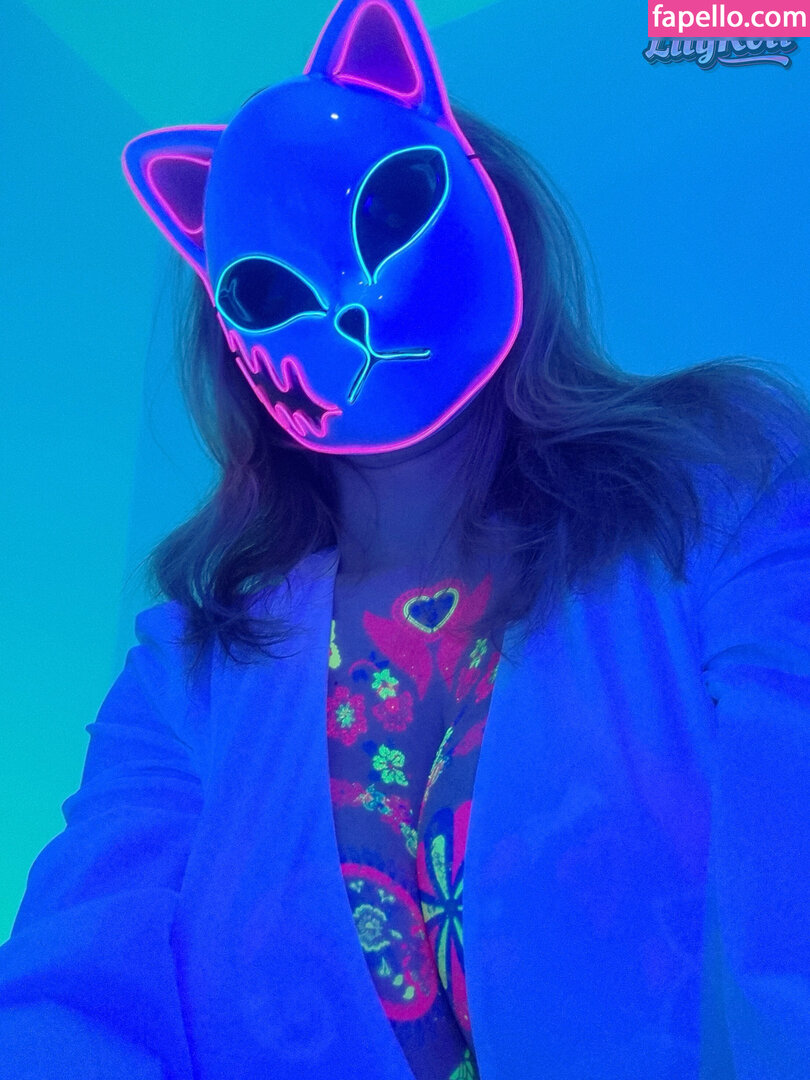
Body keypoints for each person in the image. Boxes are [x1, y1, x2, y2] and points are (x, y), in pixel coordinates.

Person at [2, 0, 809, 1077]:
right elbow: (74, 990)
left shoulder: (723, 487)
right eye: (268, 288)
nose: (350, 298)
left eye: (391, 212)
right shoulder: (187, 672)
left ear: (491, 209)